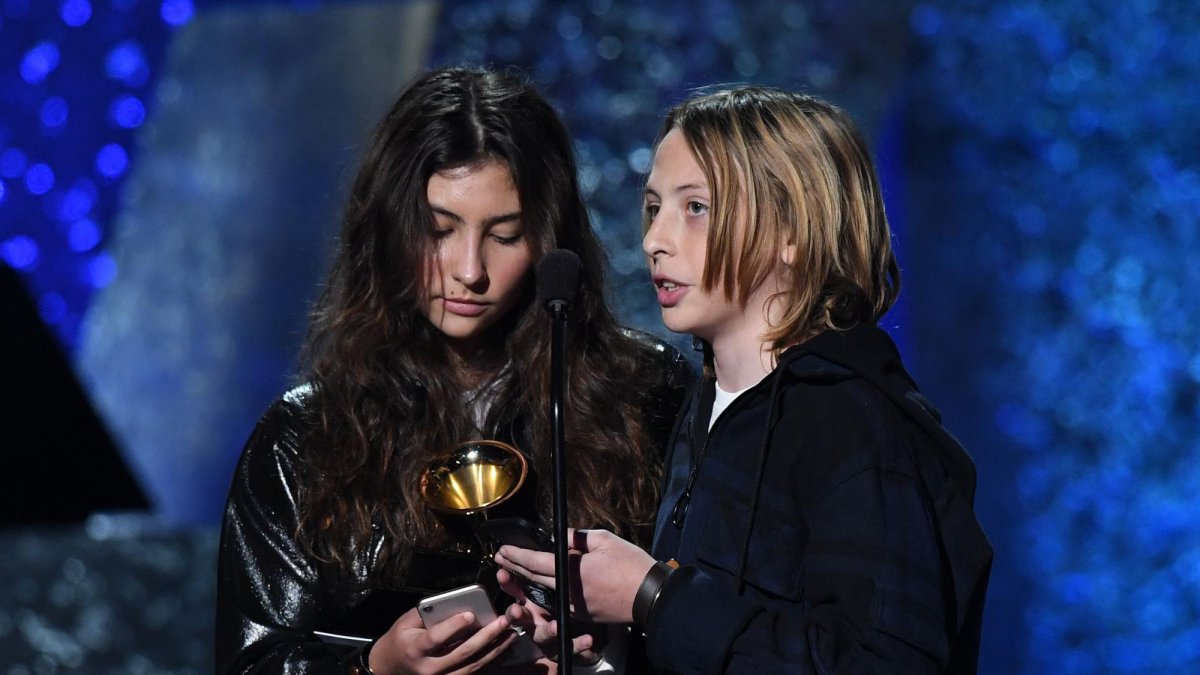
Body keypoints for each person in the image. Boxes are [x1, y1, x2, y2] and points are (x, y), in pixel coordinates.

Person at [496, 86, 993, 673]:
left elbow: (885, 662)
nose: (655, 239)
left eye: (696, 207)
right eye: (654, 207)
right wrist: (613, 645)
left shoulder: (853, 423)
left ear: (791, 231)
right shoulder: (704, 405)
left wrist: (653, 596)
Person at [215, 66, 694, 674]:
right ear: (386, 230)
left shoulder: (645, 392)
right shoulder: (304, 435)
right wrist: (376, 669)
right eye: (439, 230)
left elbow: (711, 615)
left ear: (550, 241)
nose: (470, 270)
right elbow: (251, 661)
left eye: (505, 234)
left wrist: (607, 651)